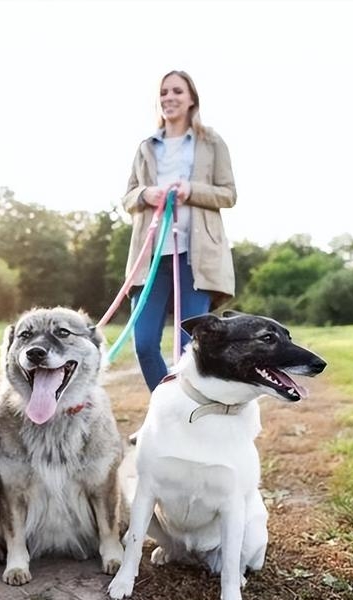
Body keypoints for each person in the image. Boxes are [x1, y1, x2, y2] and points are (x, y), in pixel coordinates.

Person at [122, 69, 237, 392]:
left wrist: (190, 189)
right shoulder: (147, 146)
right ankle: (166, 406)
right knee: (144, 343)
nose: (168, 98)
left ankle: (190, 415)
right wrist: (147, 194)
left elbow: (229, 194)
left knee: (192, 346)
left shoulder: (211, 143)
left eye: (176, 92)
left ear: (191, 99)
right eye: (163, 92)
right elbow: (128, 196)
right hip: (151, 259)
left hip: (195, 259)